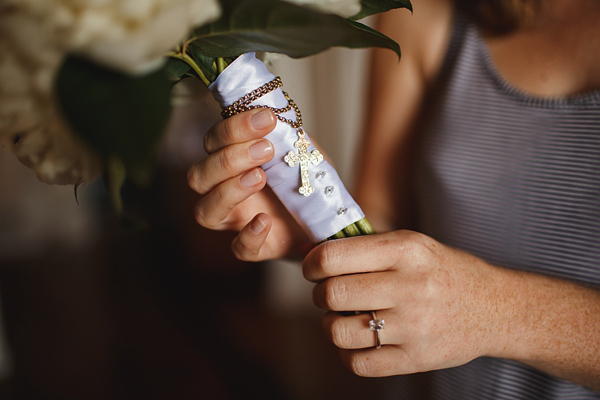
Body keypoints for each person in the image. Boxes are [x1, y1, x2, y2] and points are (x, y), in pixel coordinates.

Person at [187, 0, 600, 398]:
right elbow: (384, 213)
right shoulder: (430, 12)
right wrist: (313, 219)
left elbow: (478, 307)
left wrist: (497, 313)